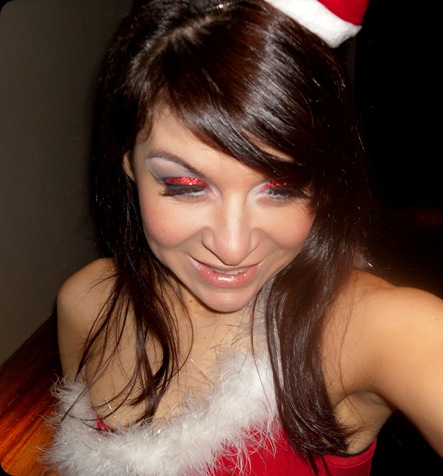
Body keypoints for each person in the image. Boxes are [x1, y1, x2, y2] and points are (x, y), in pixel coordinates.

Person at [47, 0, 443, 474]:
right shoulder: (86, 303)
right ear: (129, 162)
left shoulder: (375, 329)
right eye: (186, 185)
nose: (233, 247)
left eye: (281, 188)